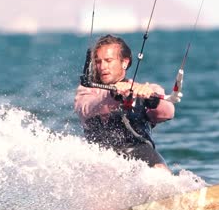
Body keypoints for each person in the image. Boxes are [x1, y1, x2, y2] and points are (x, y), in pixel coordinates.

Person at [74, 34, 174, 172]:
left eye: (108, 60)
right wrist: (112, 96)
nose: (102, 66)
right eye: (98, 61)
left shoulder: (144, 89)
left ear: (124, 62)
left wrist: (153, 100)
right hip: (101, 157)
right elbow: (84, 109)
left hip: (139, 152)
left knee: (159, 168)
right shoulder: (87, 91)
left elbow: (168, 112)